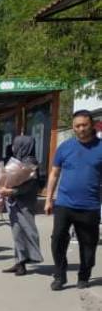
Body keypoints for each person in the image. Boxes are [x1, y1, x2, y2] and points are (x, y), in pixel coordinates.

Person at [44, 109, 102, 290]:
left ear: (92, 125)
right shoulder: (65, 147)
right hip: (64, 204)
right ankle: (60, 276)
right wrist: (48, 199)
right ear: (73, 127)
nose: (81, 128)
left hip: (90, 206)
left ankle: (84, 276)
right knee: (57, 240)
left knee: (88, 245)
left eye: (85, 125)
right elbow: (54, 174)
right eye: (77, 125)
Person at [0, 136, 43, 276]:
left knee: (25, 229)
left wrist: (11, 190)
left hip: (24, 202)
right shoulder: (20, 160)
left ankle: (25, 260)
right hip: (14, 200)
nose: (14, 147)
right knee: (17, 231)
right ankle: (19, 261)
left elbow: (31, 185)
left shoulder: (30, 162)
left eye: (16, 145)